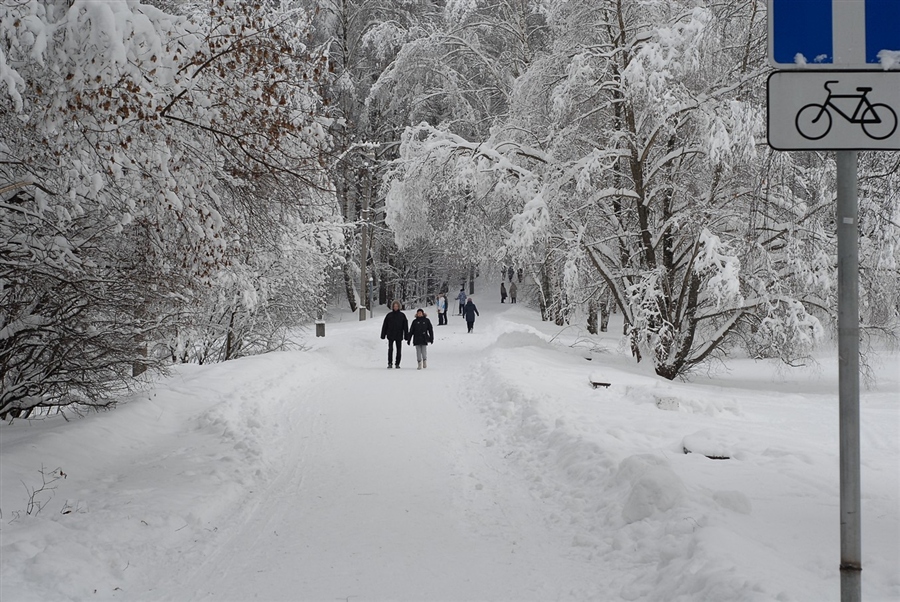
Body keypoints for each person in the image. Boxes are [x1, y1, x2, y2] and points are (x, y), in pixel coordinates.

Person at [380, 300, 408, 369]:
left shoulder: (402, 315)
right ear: (392, 307)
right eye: (394, 306)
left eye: (397, 306)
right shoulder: (389, 315)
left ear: (399, 307)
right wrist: (383, 334)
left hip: (399, 334)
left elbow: (405, 326)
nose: (395, 307)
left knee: (399, 350)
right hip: (390, 334)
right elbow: (385, 325)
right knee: (390, 349)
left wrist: (406, 335)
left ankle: (397, 363)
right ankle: (390, 363)